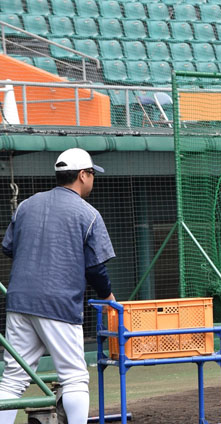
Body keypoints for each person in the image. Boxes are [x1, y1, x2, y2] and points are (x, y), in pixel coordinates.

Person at [0, 148, 116, 423]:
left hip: (19, 302)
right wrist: (108, 295)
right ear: (82, 175)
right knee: (75, 376)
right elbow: (95, 268)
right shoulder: (87, 213)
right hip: (59, 304)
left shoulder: (27, 205)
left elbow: (8, 248)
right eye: (91, 174)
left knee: (13, 378)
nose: (92, 180)